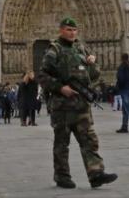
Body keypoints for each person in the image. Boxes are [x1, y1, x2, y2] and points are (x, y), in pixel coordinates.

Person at [38, 17, 117, 189]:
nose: (72, 33)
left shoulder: (81, 48)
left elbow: (94, 75)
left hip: (81, 105)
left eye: (74, 30)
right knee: (61, 143)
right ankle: (62, 176)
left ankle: (96, 173)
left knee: (89, 139)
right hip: (62, 107)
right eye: (68, 30)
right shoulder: (54, 50)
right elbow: (42, 76)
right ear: (61, 30)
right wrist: (60, 88)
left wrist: (92, 64)